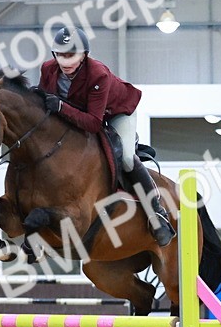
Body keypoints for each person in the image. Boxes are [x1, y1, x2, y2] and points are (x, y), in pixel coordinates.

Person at [36, 26, 175, 247]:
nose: (66, 61)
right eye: (61, 55)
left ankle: (156, 213)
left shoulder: (97, 73)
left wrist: (61, 107)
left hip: (116, 112)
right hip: (78, 112)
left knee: (127, 159)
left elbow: (94, 122)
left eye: (71, 55)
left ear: (84, 55)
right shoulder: (47, 69)